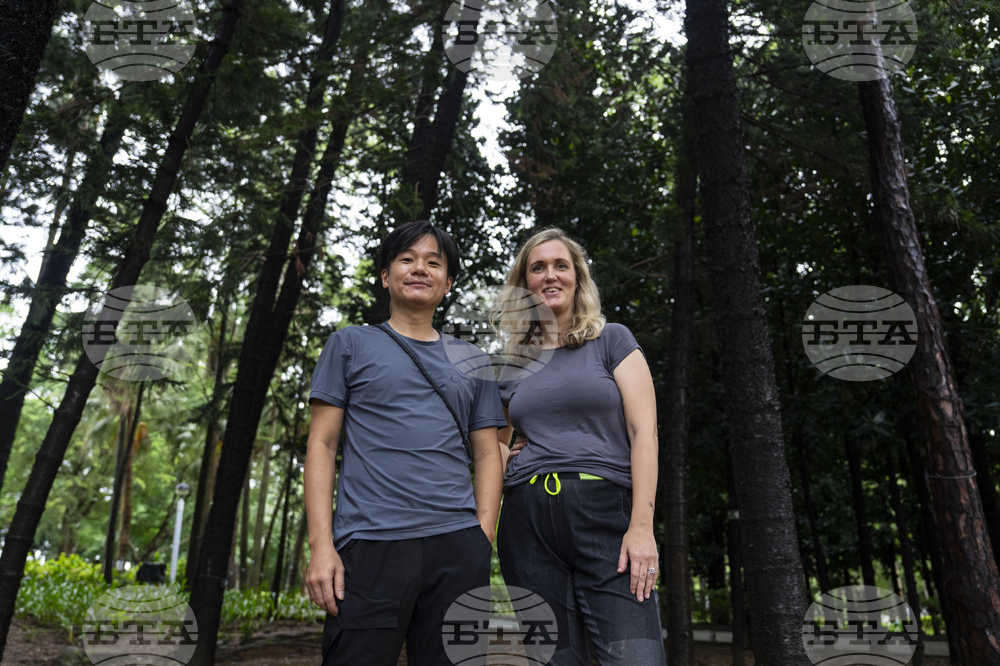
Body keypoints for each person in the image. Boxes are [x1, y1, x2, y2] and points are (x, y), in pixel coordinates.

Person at [303, 220, 506, 666]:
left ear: (448, 282)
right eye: (407, 259)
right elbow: (321, 444)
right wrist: (322, 547)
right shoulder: (349, 344)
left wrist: (481, 536)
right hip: (370, 544)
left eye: (434, 262)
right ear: (385, 275)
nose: (420, 269)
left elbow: (489, 452)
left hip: (457, 545)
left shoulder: (473, 360)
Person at [492, 227, 664, 664]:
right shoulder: (512, 364)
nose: (550, 275)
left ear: (577, 278)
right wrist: (506, 460)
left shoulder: (612, 340)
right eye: (538, 268)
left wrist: (641, 527)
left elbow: (645, 432)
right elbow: (494, 445)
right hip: (526, 524)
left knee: (637, 657)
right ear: (523, 285)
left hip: (606, 516)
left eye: (560, 265)